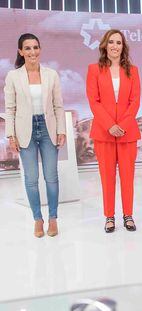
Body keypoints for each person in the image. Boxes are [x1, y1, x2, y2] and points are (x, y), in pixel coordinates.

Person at [4, 33, 66, 237]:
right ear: (21, 51)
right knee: (31, 179)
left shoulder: (51, 74)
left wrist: (61, 130)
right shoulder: (13, 76)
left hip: (47, 128)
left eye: (35, 47)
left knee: (51, 177)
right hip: (25, 130)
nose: (32, 52)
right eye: (28, 48)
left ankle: (53, 219)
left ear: (40, 49)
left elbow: (58, 105)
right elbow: (10, 108)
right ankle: (38, 219)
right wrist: (11, 136)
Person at [86, 29, 141, 233]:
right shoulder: (94, 69)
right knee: (107, 177)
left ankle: (128, 215)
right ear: (104, 45)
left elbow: (135, 101)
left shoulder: (132, 70)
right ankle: (109, 216)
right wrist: (110, 125)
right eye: (111, 42)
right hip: (104, 132)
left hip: (127, 133)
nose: (115, 46)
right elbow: (94, 101)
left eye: (118, 42)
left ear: (123, 46)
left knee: (128, 177)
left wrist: (123, 125)